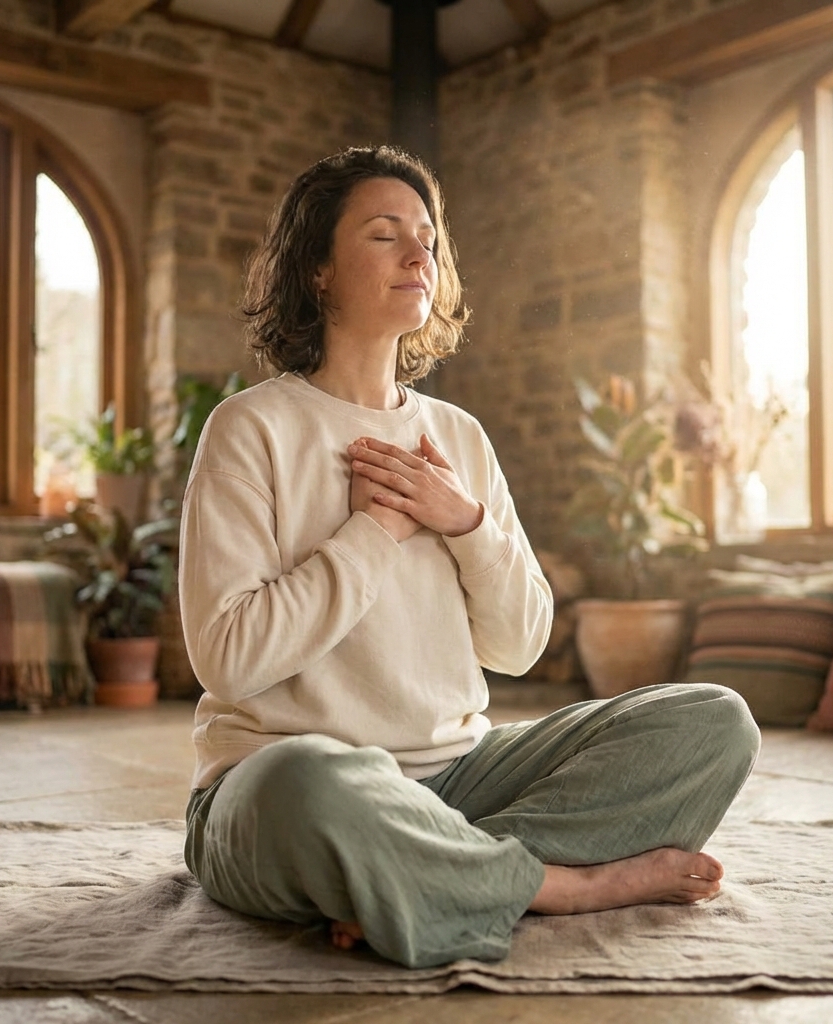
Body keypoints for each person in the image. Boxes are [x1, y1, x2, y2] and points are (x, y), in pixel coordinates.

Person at [178, 145, 761, 970]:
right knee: (302, 780)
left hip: (459, 777)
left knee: (714, 721)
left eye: (427, 238)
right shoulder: (251, 428)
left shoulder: (459, 438)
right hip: (286, 788)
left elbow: (519, 644)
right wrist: (373, 533)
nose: (421, 255)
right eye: (386, 236)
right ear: (316, 268)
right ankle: (563, 886)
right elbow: (230, 662)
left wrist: (468, 524)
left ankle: (427, 873)